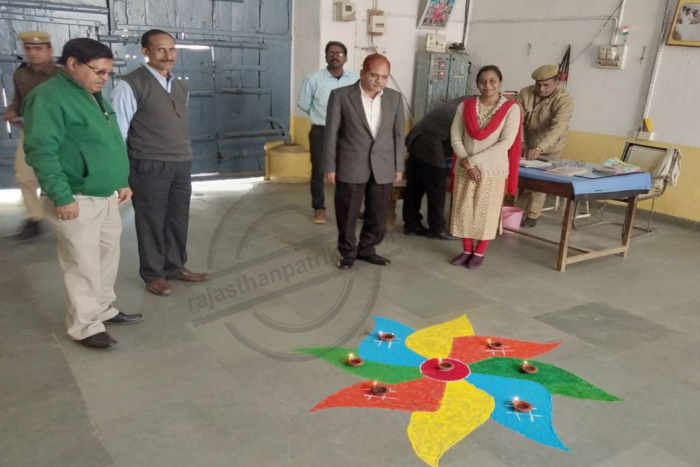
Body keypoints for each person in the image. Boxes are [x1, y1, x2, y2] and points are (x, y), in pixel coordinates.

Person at [23, 38, 141, 349]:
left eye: (108, 73)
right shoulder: (48, 98)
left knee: (106, 258)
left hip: (105, 195)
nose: (104, 78)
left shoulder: (92, 95)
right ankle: (85, 326)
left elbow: (110, 143)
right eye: (98, 71)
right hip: (76, 197)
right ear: (72, 64)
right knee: (82, 263)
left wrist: (121, 180)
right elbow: (41, 151)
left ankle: (102, 309)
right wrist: (61, 196)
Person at [112, 29, 207, 297]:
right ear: (145, 52)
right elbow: (118, 133)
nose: (168, 55)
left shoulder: (180, 86)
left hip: (180, 162)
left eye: (172, 49)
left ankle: (175, 266)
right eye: (161, 50)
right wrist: (121, 174)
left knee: (178, 219)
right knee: (151, 221)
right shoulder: (130, 84)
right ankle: (154, 274)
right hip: (148, 164)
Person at [324, 53, 405, 270]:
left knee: (378, 214)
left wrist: (399, 166)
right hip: (350, 163)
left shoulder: (395, 98)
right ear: (362, 73)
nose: (379, 81)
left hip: (383, 165)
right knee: (347, 213)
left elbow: (399, 135)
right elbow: (331, 134)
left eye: (384, 77)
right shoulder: (340, 96)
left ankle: (367, 249)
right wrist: (330, 166)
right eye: (374, 75)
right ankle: (348, 252)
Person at [448, 65, 522, 269]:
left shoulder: (511, 109)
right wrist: (466, 161)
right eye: (482, 81)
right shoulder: (465, 106)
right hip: (465, 168)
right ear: (477, 84)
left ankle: (479, 252)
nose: (487, 85)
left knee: (486, 212)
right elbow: (455, 136)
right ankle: (466, 250)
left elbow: (506, 143)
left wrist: (473, 161)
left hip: (492, 170)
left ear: (500, 83)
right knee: (463, 210)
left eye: (492, 81)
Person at [4, 31, 59, 240]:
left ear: (49, 50)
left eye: (38, 48)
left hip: (59, 134)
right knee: (24, 176)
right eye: (28, 49)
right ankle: (34, 218)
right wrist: (12, 110)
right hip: (31, 132)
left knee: (59, 175)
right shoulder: (20, 74)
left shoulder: (62, 75)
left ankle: (64, 211)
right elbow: (18, 101)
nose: (33, 53)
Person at [297, 41, 359, 224]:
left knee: (348, 169)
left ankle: (348, 208)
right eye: (331, 53)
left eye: (339, 53)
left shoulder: (354, 80)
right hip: (321, 130)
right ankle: (319, 208)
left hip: (347, 131)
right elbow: (303, 104)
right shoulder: (313, 79)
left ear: (345, 58)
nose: (335, 56)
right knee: (318, 170)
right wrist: (321, 115)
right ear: (325, 56)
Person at [516, 64, 574, 227]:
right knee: (518, 177)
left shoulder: (564, 100)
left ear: (557, 82)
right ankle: (513, 211)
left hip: (550, 146)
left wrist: (540, 148)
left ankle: (532, 215)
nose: (541, 89)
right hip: (527, 142)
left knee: (539, 181)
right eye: (538, 85)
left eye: (546, 85)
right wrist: (521, 142)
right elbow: (517, 120)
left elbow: (558, 128)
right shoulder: (525, 93)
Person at [403, 97, 464, 239]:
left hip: (416, 138)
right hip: (430, 143)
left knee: (415, 187)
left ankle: (411, 225)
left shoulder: (461, 101)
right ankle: (437, 229)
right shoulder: (471, 108)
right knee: (437, 189)